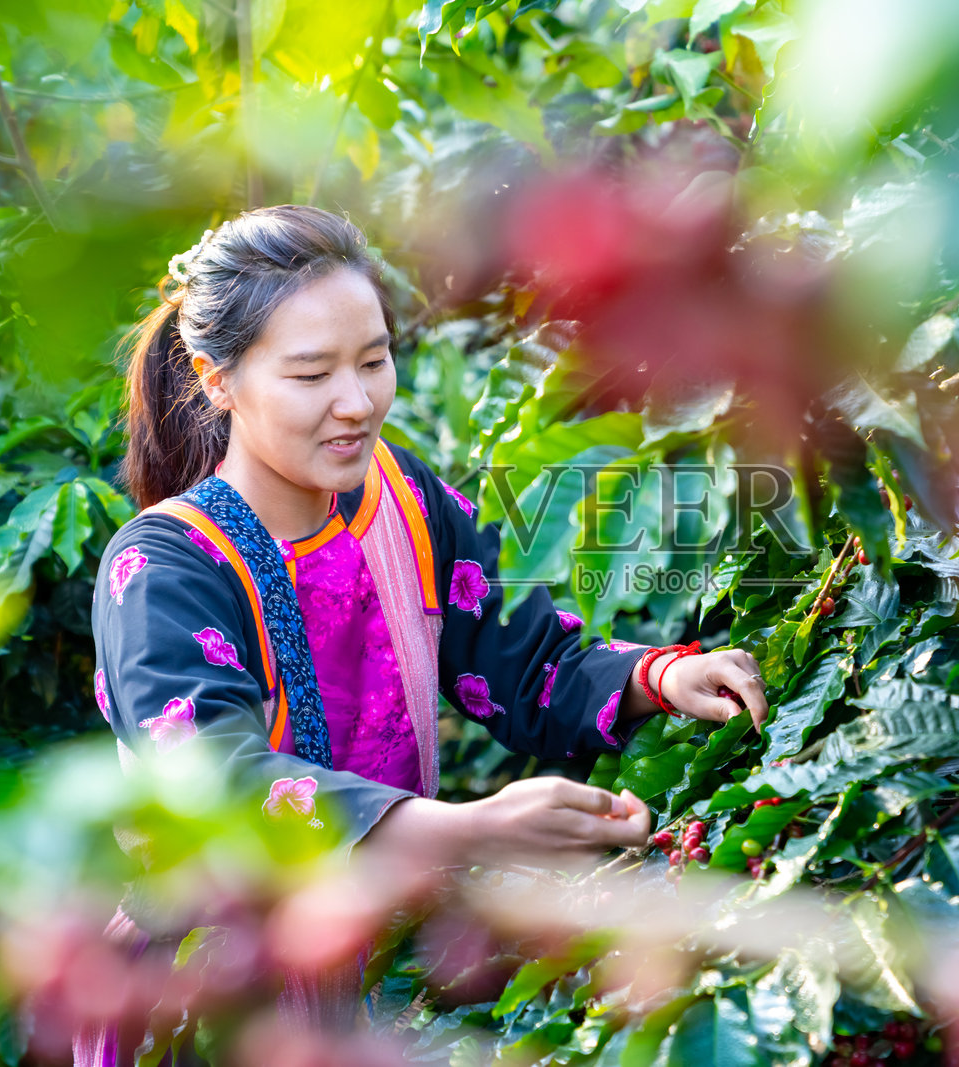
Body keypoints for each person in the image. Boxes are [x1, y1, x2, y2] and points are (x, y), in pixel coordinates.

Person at [80, 205, 770, 1059]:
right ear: (216, 379)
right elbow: (217, 789)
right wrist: (471, 826)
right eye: (310, 374)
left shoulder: (403, 499)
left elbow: (524, 661)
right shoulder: (166, 566)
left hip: (394, 967)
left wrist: (655, 677)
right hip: (214, 997)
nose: (357, 401)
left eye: (374, 360)